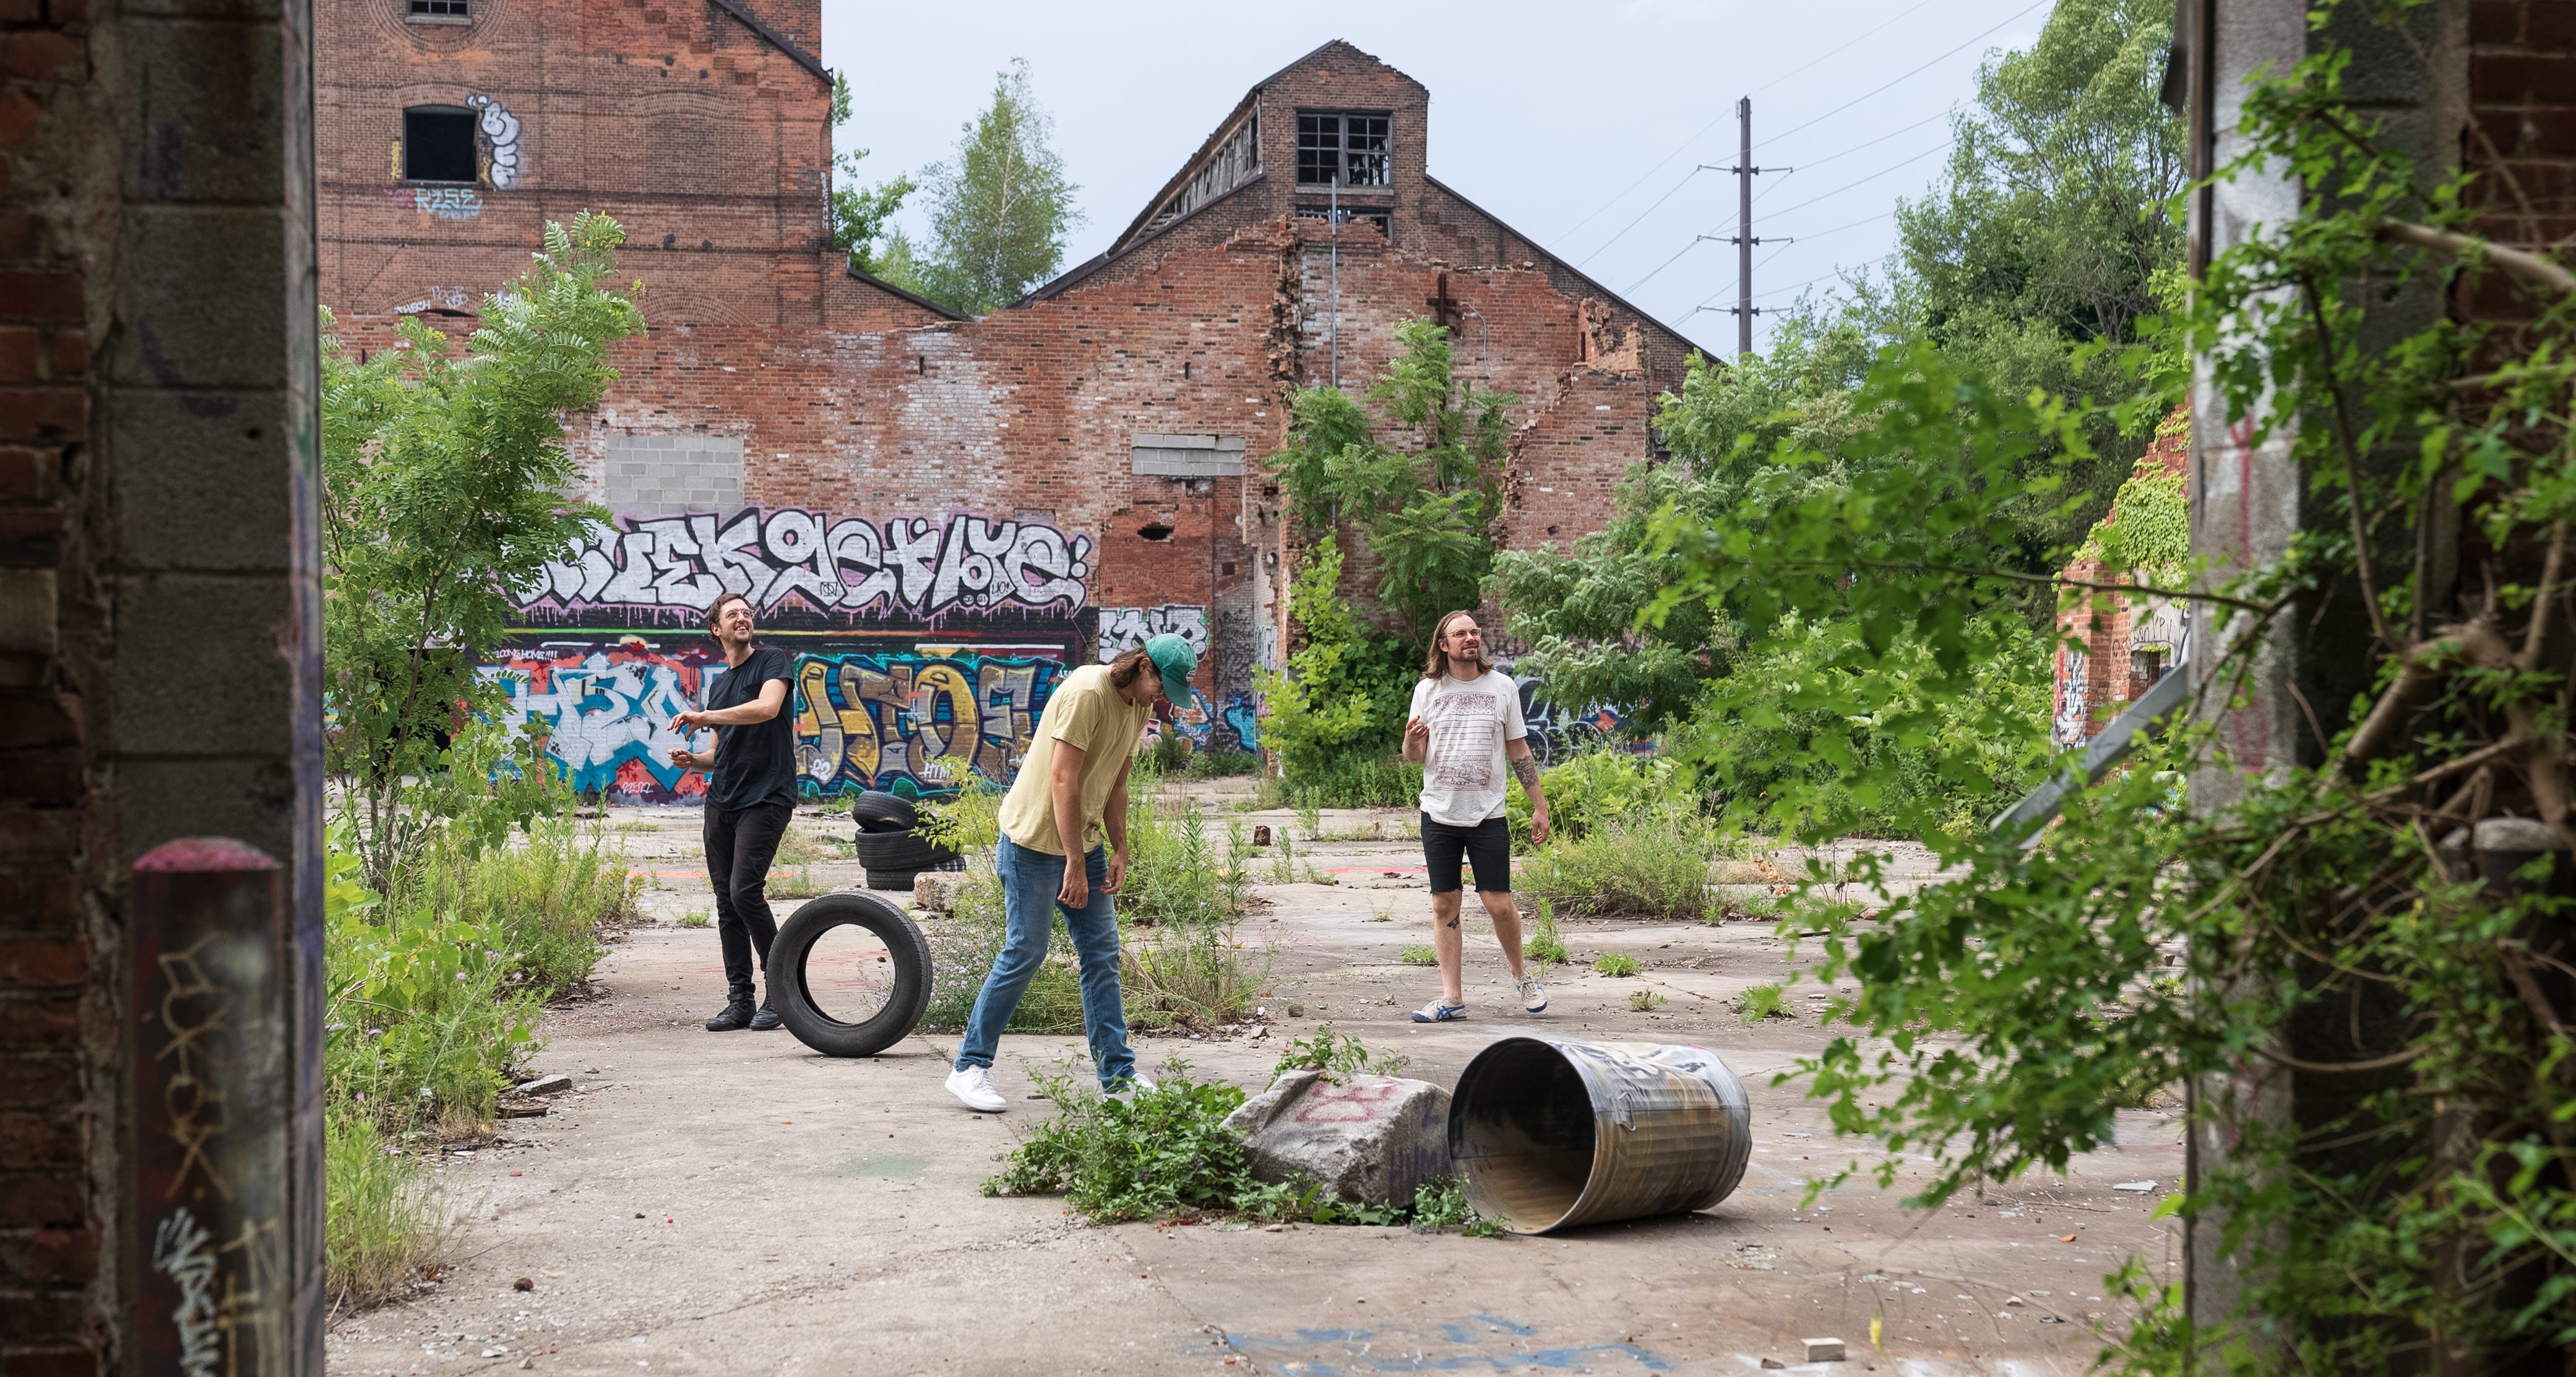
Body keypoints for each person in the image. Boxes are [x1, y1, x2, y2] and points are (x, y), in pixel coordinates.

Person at [944, 633, 1199, 1112]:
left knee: (1102, 954)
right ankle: (968, 1068)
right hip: (1034, 843)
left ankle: (1117, 1076)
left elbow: (1117, 782)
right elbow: (1063, 778)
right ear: (1143, 665)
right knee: (1026, 950)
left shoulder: (1138, 705)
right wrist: (1074, 864)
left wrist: (1121, 847)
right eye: (1162, 685)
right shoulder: (1088, 692)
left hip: (1085, 843)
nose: (1162, 697)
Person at [1401, 610, 1551, 1023]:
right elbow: (1413, 757)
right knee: (1443, 904)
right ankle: (1451, 998)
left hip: (1487, 815)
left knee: (1498, 903)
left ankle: (1521, 975)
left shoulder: (1502, 687)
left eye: (1474, 632)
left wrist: (1540, 806)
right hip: (1439, 812)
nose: (1470, 638)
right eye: (1460, 634)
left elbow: (1518, 750)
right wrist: (1412, 742)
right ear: (1443, 644)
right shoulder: (1427, 691)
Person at [667, 591, 797, 1032]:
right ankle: (740, 999)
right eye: (732, 615)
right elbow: (718, 754)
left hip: (767, 796)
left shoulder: (772, 661)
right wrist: (694, 761)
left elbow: (767, 709)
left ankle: (784, 992)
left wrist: (705, 715)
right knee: (726, 902)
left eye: (747, 613)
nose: (743, 618)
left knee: (745, 891)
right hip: (722, 800)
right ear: (716, 630)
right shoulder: (720, 685)